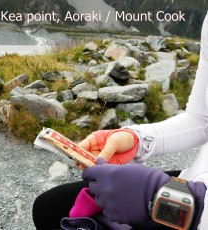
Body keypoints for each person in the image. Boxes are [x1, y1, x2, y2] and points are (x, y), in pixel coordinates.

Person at [32, 13, 208, 230]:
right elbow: (202, 118)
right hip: (191, 184)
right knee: (48, 207)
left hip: (192, 212)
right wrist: (137, 139)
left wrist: (187, 205)